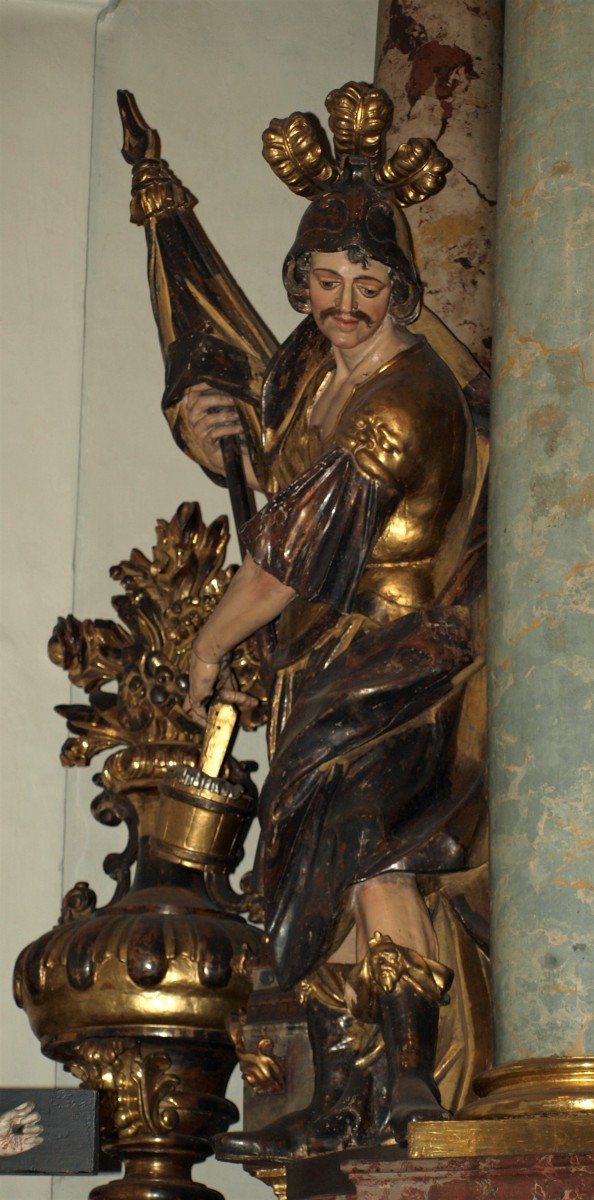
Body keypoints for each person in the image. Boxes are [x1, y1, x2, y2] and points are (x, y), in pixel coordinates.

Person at [167, 84, 488, 1152]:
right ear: (299, 281)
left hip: (400, 659)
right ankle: (342, 1102)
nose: (343, 303)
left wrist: (213, 639)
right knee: (328, 868)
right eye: (324, 281)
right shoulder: (319, 378)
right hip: (327, 669)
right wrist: (212, 433)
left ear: (402, 288)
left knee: (372, 855)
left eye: (367, 284)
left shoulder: (408, 392)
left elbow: (299, 552)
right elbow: (278, 484)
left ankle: (404, 1077)